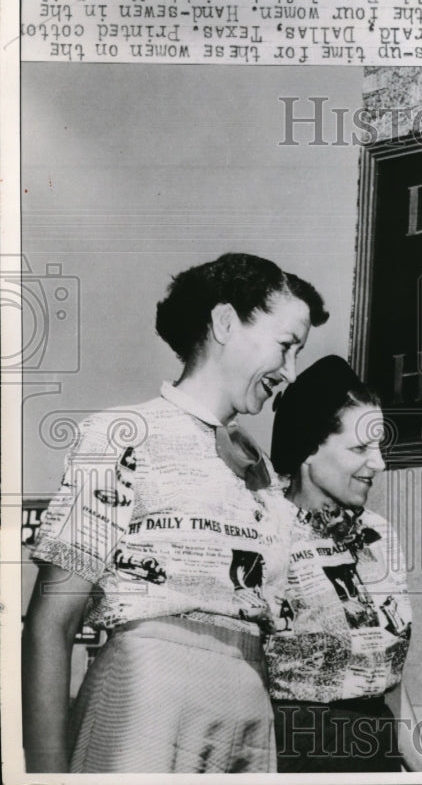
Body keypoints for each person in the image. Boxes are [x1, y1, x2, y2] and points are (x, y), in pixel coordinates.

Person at [22, 253, 328, 773]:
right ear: (226, 323)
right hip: (145, 703)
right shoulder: (122, 434)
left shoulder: (263, 474)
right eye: (285, 347)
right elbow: (51, 624)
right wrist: (45, 778)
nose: (290, 373)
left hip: (248, 712)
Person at [266, 355, 422, 773]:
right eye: (360, 448)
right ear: (308, 449)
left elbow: (388, 679)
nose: (379, 463)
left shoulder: (380, 535)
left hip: (375, 751)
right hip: (291, 754)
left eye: (378, 446)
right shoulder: (263, 530)